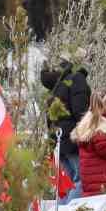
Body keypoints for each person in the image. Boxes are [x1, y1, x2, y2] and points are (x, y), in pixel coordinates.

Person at [41, 55, 91, 200]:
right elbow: (80, 110)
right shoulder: (77, 79)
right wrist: (86, 133)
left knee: (66, 182)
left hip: (58, 138)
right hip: (72, 138)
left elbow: (50, 116)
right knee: (80, 179)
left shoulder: (58, 84)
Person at [71, 88, 106, 197]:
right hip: (101, 179)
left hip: (93, 177)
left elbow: (104, 141)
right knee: (105, 205)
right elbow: (103, 147)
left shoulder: (90, 120)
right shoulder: (100, 124)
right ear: (104, 104)